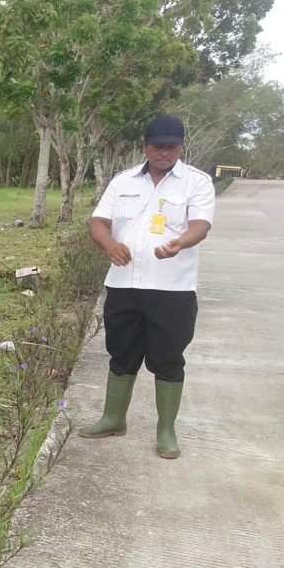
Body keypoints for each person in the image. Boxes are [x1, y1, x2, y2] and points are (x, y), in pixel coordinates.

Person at [81, 114, 214, 459]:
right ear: (145, 146)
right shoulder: (123, 180)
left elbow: (201, 225)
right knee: (121, 353)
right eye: (158, 146)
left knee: (168, 359)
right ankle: (113, 418)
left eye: (171, 147)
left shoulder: (195, 183)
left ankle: (166, 430)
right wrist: (109, 245)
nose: (164, 153)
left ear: (181, 147)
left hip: (172, 289)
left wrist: (180, 243)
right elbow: (98, 221)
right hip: (124, 285)